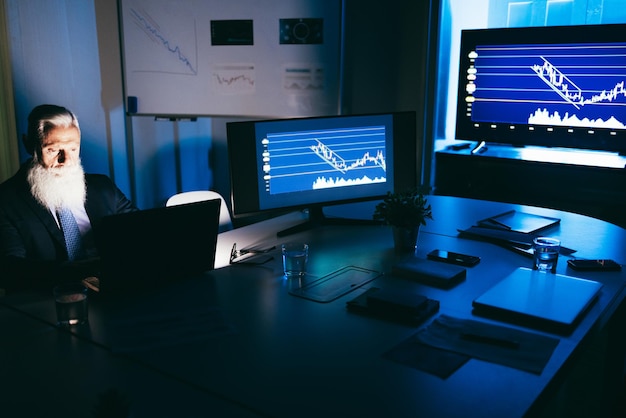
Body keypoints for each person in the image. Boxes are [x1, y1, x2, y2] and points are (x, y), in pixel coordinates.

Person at [0, 104, 137, 291]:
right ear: (28, 144)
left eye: (73, 149)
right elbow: (11, 270)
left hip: (115, 293)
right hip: (49, 303)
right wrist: (81, 270)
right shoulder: (7, 200)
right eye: (52, 150)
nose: (66, 160)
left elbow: (140, 232)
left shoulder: (102, 188)